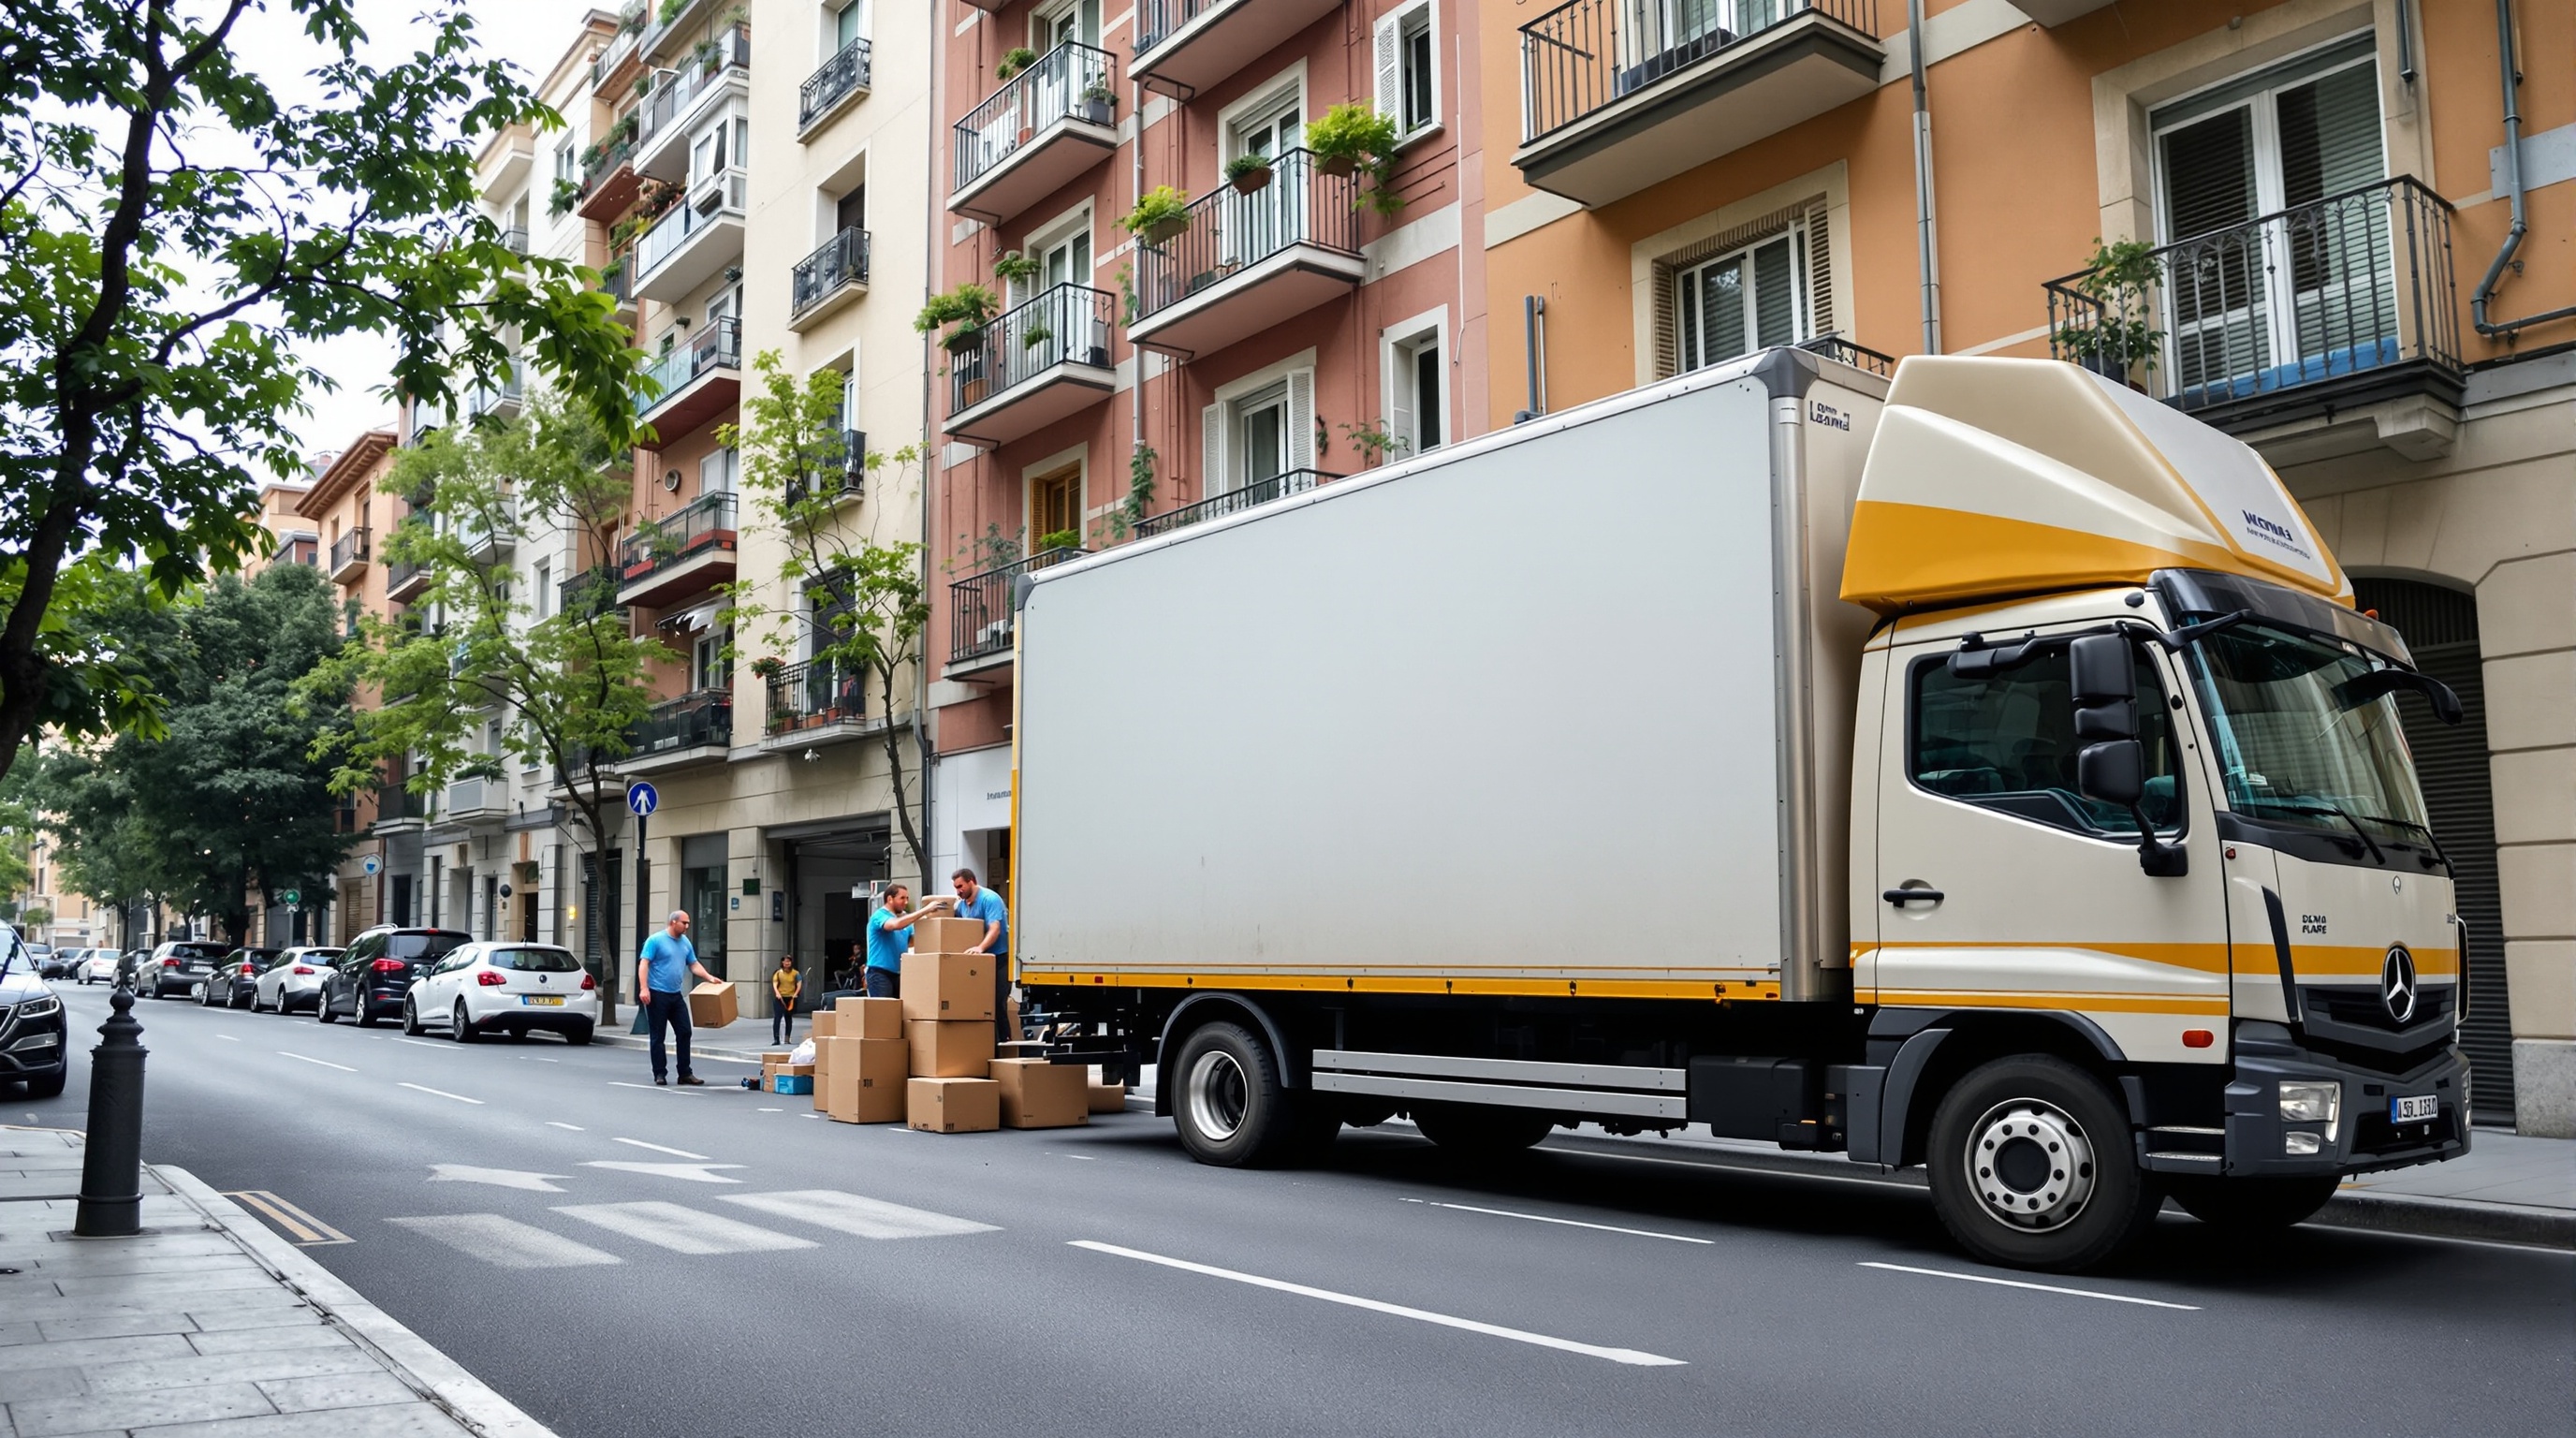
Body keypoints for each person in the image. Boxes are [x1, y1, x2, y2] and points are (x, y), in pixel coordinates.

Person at [637, 910, 724, 1086]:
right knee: (658, 1035)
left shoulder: (685, 943)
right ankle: (659, 1073)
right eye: (684, 923)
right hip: (657, 994)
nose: (687, 926)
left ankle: (685, 1073)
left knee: (685, 1031)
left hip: (675, 995)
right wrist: (644, 988)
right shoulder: (655, 940)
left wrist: (709, 977)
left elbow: (693, 963)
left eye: (688, 923)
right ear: (673, 922)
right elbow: (644, 963)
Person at [951, 868, 1011, 1042]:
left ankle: (1003, 1043)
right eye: (955, 887)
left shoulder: (989, 899)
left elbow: (995, 929)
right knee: (979, 1005)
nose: (958, 891)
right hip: (978, 963)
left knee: (997, 1003)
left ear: (972, 881)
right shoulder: (962, 906)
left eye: (960, 886)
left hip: (998, 959)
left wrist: (980, 947)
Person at [863, 884, 944, 999]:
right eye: (902, 898)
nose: (905, 902)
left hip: (898, 974)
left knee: (898, 1013)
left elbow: (912, 942)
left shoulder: (904, 919)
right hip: (879, 974)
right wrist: (925, 910)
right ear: (890, 899)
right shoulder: (879, 916)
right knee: (883, 1012)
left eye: (907, 898)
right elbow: (895, 925)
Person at [769, 953, 802, 1046]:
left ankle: (787, 1038)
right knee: (777, 1018)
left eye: (788, 961)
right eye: (785, 961)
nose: (787, 963)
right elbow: (775, 984)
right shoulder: (778, 973)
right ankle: (776, 1039)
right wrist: (777, 993)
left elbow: (799, 983)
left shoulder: (795, 973)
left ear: (791, 962)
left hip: (790, 998)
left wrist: (796, 994)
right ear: (782, 962)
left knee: (788, 1018)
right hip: (780, 998)